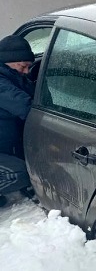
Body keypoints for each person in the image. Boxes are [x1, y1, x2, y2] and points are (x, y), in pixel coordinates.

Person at [0, 35, 35, 205]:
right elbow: (26, 106)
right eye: (23, 66)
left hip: (5, 147)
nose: (26, 71)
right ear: (9, 61)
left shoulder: (12, 76)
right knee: (23, 174)